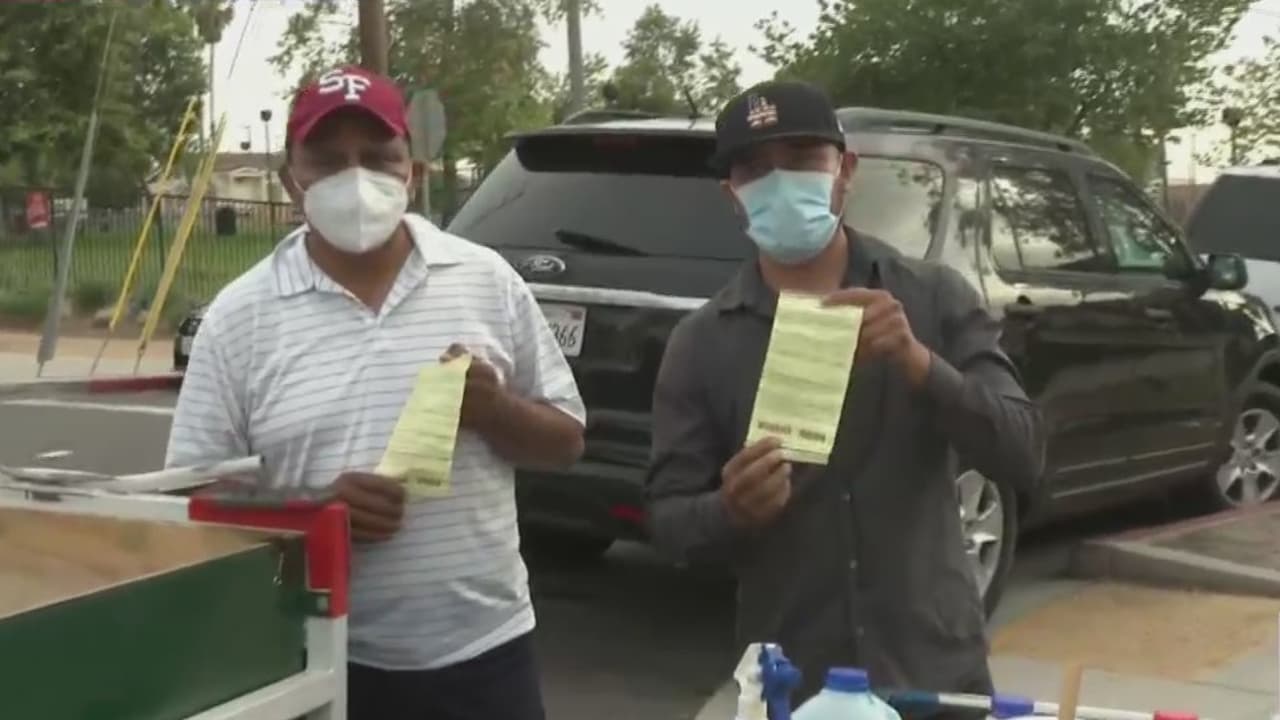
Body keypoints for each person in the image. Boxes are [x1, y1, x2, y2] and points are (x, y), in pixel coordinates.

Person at [166, 65, 585, 720]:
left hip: (486, 655)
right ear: (290, 180)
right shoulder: (240, 315)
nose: (355, 179)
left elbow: (567, 441)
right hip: (318, 658)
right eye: (328, 161)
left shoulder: (485, 280)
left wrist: (496, 411)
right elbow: (191, 497)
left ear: (410, 172)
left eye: (378, 157)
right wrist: (312, 511)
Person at [646, 81, 1045, 719]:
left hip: (932, 673)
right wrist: (730, 509)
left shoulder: (935, 298)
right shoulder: (702, 341)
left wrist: (921, 365)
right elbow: (668, 522)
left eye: (803, 156)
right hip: (796, 686)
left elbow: (1023, 453)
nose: (779, 182)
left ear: (845, 170)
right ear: (733, 195)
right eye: (755, 168)